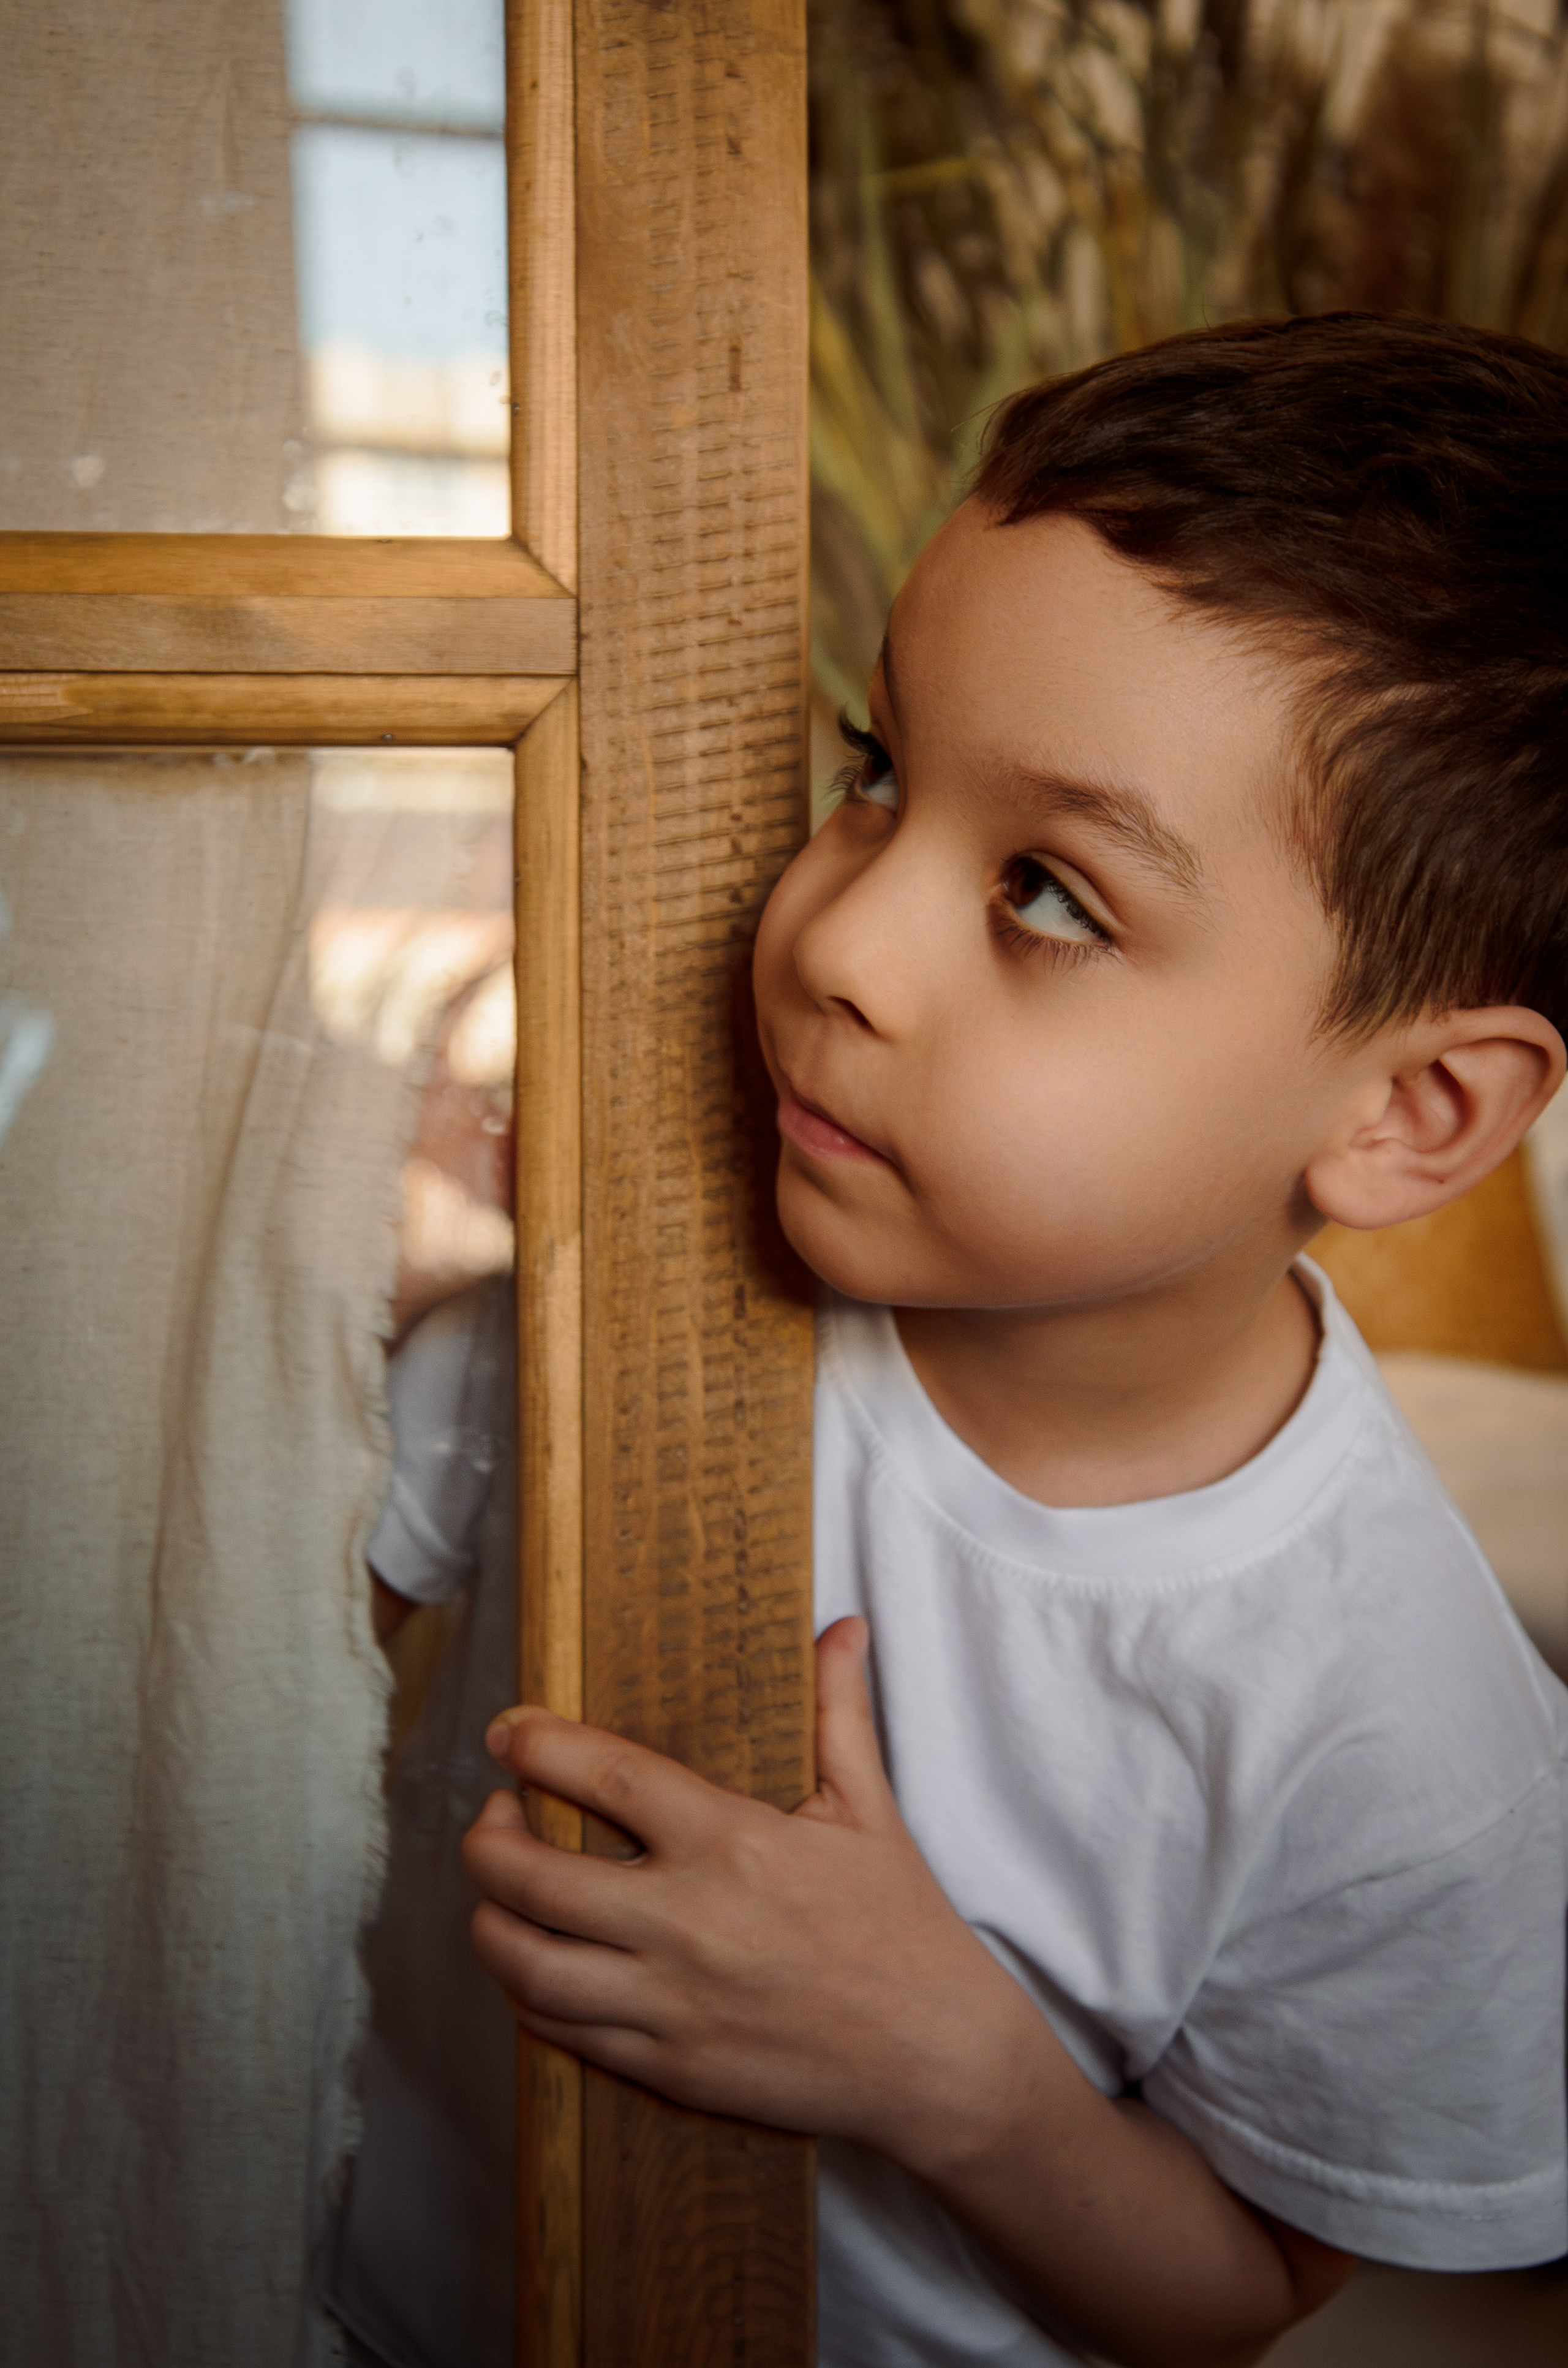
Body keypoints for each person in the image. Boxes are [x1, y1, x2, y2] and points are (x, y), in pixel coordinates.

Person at [464, 314, 1568, 2368]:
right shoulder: (644, 1265)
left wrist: (948, 2064)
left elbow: (1240, 2292)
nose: (838, 937)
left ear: (1407, 1116)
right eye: (876, 771)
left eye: (1049, 892)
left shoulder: (1410, 1738)